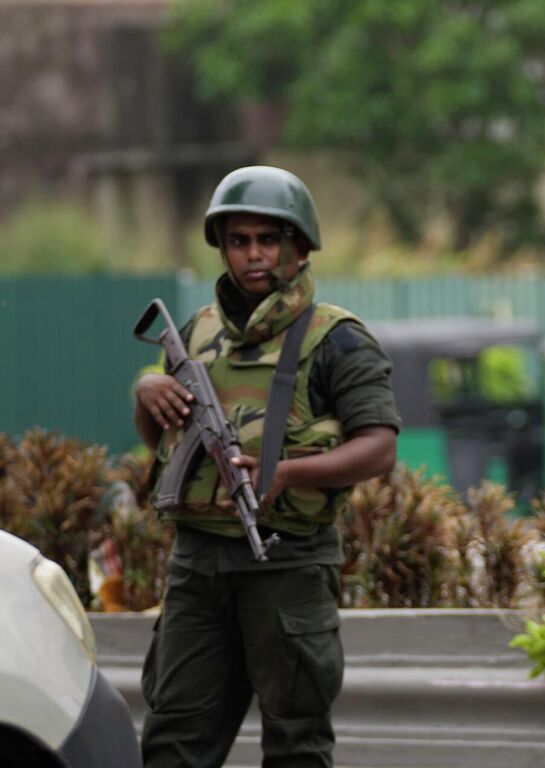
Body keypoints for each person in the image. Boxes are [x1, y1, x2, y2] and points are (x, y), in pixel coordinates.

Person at [133, 166, 400, 768]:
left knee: (295, 741)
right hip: (197, 563)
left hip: (287, 562)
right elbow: (161, 442)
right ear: (222, 248)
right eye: (238, 241)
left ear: (299, 246)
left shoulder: (338, 339)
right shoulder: (197, 332)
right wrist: (148, 398)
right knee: (173, 741)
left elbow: (379, 446)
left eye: (268, 240)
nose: (254, 255)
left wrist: (286, 475)